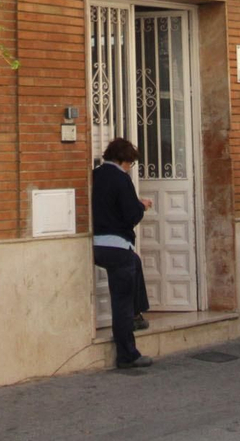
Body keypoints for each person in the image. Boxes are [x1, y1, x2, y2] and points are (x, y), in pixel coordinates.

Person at [92, 137, 155, 369]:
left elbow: (106, 203)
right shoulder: (122, 178)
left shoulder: (95, 174)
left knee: (135, 261)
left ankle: (139, 312)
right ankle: (127, 354)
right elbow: (131, 215)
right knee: (122, 302)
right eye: (130, 163)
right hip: (117, 245)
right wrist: (142, 206)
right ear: (123, 160)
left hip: (96, 245)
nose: (130, 167)